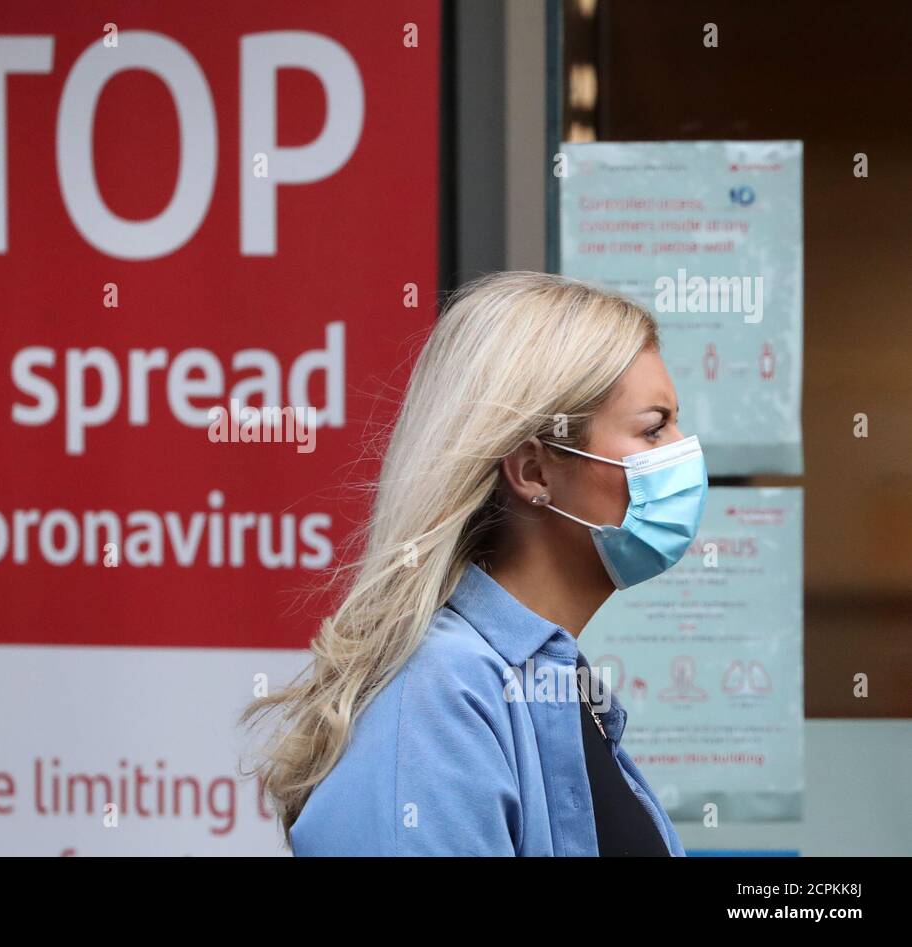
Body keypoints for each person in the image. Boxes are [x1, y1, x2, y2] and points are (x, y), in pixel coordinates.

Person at [240, 271, 706, 855]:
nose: (686, 451)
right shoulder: (438, 703)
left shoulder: (551, 684)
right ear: (535, 471)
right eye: (654, 428)